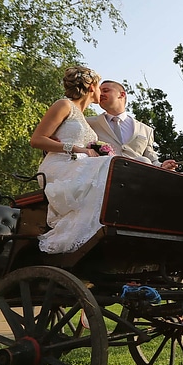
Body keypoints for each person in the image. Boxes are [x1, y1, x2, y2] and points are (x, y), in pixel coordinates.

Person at [30, 65, 115, 254]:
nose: (100, 91)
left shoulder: (85, 119)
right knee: (108, 166)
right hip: (57, 167)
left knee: (113, 169)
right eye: (100, 86)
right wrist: (74, 148)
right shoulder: (64, 105)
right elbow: (36, 140)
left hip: (78, 165)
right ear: (92, 87)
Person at [86, 80, 179, 171]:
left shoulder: (146, 130)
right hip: (103, 175)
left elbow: (152, 160)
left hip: (136, 179)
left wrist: (162, 165)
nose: (100, 94)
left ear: (122, 95)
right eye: (99, 91)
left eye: (105, 91)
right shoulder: (88, 123)